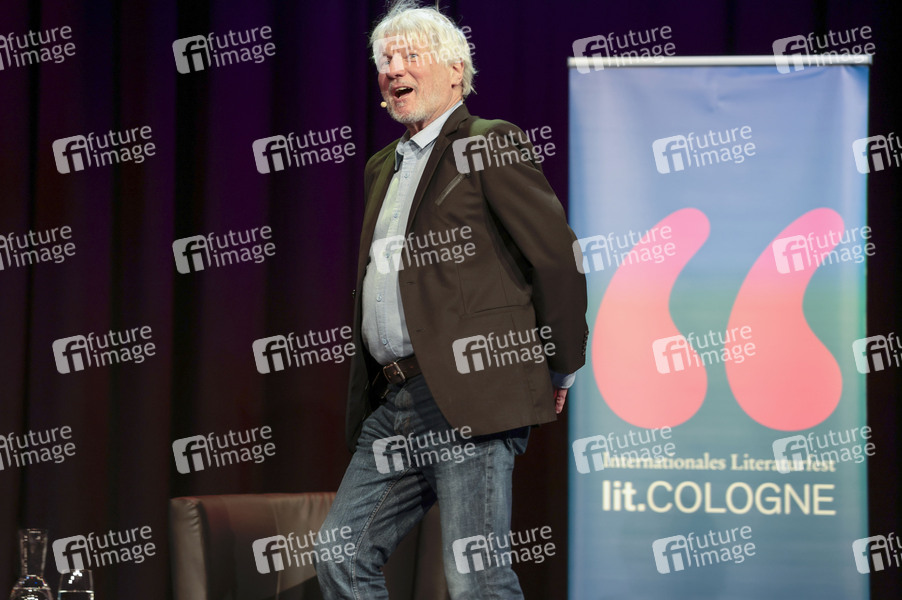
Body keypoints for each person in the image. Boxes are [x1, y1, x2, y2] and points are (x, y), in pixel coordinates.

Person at [315, 2, 587, 598]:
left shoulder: (489, 143)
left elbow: (555, 258)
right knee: (341, 554)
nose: (393, 69)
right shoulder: (381, 166)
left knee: (475, 577)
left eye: (410, 56)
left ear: (456, 69)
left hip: (471, 391)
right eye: (385, 60)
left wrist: (561, 361)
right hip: (394, 397)